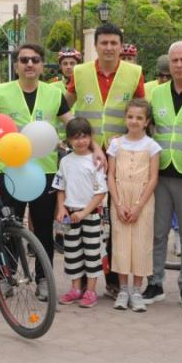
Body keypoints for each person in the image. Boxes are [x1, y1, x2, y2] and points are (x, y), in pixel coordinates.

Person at [0, 43, 100, 302]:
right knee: (8, 227)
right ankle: (6, 277)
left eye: (35, 59)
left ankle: (43, 280)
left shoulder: (55, 95)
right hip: (9, 170)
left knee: (44, 229)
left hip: (45, 173)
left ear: (43, 65)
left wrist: (95, 148)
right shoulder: (0, 92)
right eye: (24, 60)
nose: (29, 64)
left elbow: (74, 126)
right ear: (16, 65)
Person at [66, 23, 145, 296]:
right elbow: (65, 106)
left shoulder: (134, 73)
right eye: (104, 43)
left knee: (115, 217)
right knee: (84, 215)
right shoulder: (80, 71)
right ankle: (82, 281)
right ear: (95, 45)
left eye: (114, 43)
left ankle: (113, 280)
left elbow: (142, 111)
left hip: (121, 157)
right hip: (85, 156)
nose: (109, 48)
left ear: (121, 46)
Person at [142, 41, 182, 310]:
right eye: (174, 60)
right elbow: (147, 127)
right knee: (157, 233)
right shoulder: (156, 94)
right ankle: (154, 282)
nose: (178, 65)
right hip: (160, 174)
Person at [107, 99, 161, 312]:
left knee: (140, 244)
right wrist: (118, 204)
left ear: (146, 121)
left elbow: (153, 178)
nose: (134, 121)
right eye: (130, 116)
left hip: (143, 200)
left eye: (139, 118)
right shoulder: (115, 144)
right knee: (120, 244)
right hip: (120, 197)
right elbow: (110, 175)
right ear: (125, 118)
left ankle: (137, 290)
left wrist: (138, 206)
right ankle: (122, 290)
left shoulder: (152, 146)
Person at [53, 117, 108, 308]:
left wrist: (84, 213)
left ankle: (91, 291)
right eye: (76, 138)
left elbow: (101, 193)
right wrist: (62, 208)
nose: (81, 141)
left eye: (84, 137)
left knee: (92, 254)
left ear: (90, 137)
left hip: (90, 215)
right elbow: (60, 188)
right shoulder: (65, 161)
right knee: (72, 254)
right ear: (68, 140)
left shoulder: (95, 161)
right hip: (70, 216)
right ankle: (76, 289)